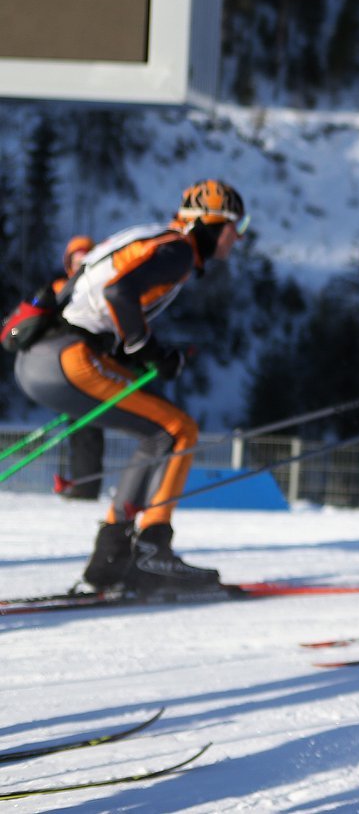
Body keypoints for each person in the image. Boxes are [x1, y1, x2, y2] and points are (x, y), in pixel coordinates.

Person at [13, 183, 249, 593]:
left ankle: (111, 559)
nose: (239, 236)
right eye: (236, 225)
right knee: (180, 431)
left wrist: (150, 353)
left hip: (39, 357)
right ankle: (153, 548)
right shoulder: (176, 250)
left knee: (158, 435)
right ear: (212, 223)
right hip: (69, 357)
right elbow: (118, 293)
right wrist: (150, 351)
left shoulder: (148, 238)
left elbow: (96, 299)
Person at [3, 235, 103, 499]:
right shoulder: (76, 289)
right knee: (86, 426)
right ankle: (85, 485)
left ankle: (82, 482)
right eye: (77, 257)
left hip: (53, 365)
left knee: (82, 424)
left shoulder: (60, 288)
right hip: (72, 362)